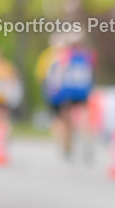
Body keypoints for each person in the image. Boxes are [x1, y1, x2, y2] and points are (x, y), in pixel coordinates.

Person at [36, 32, 96, 160]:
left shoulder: (63, 56)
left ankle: (67, 145)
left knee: (65, 119)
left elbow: (55, 75)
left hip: (66, 91)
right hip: (82, 90)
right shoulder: (86, 55)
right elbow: (90, 71)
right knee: (82, 116)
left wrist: (54, 91)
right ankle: (85, 141)